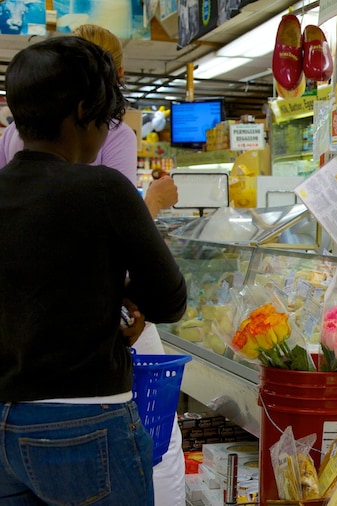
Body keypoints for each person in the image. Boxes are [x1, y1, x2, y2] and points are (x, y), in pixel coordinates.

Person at [0, 24, 185, 505]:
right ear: (84, 111)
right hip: (86, 419)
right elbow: (170, 298)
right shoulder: (102, 188)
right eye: (107, 114)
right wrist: (129, 303)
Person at [0, 24, 178, 219]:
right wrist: (155, 201)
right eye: (100, 118)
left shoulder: (14, 131)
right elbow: (119, 226)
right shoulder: (115, 142)